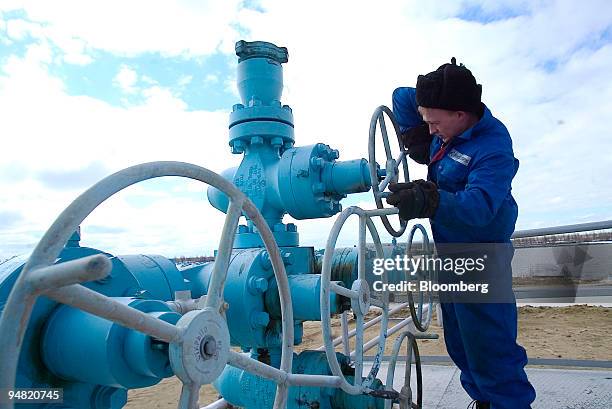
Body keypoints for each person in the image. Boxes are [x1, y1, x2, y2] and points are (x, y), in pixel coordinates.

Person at [387, 58, 536, 409]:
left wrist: (429, 200)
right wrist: (416, 133)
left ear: (460, 113)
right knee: (459, 341)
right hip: (450, 254)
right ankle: (483, 401)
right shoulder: (445, 118)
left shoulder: (493, 147)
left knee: (491, 349)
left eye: (435, 123)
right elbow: (401, 96)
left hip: (482, 255)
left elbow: (481, 207)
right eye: (427, 121)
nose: (431, 129)